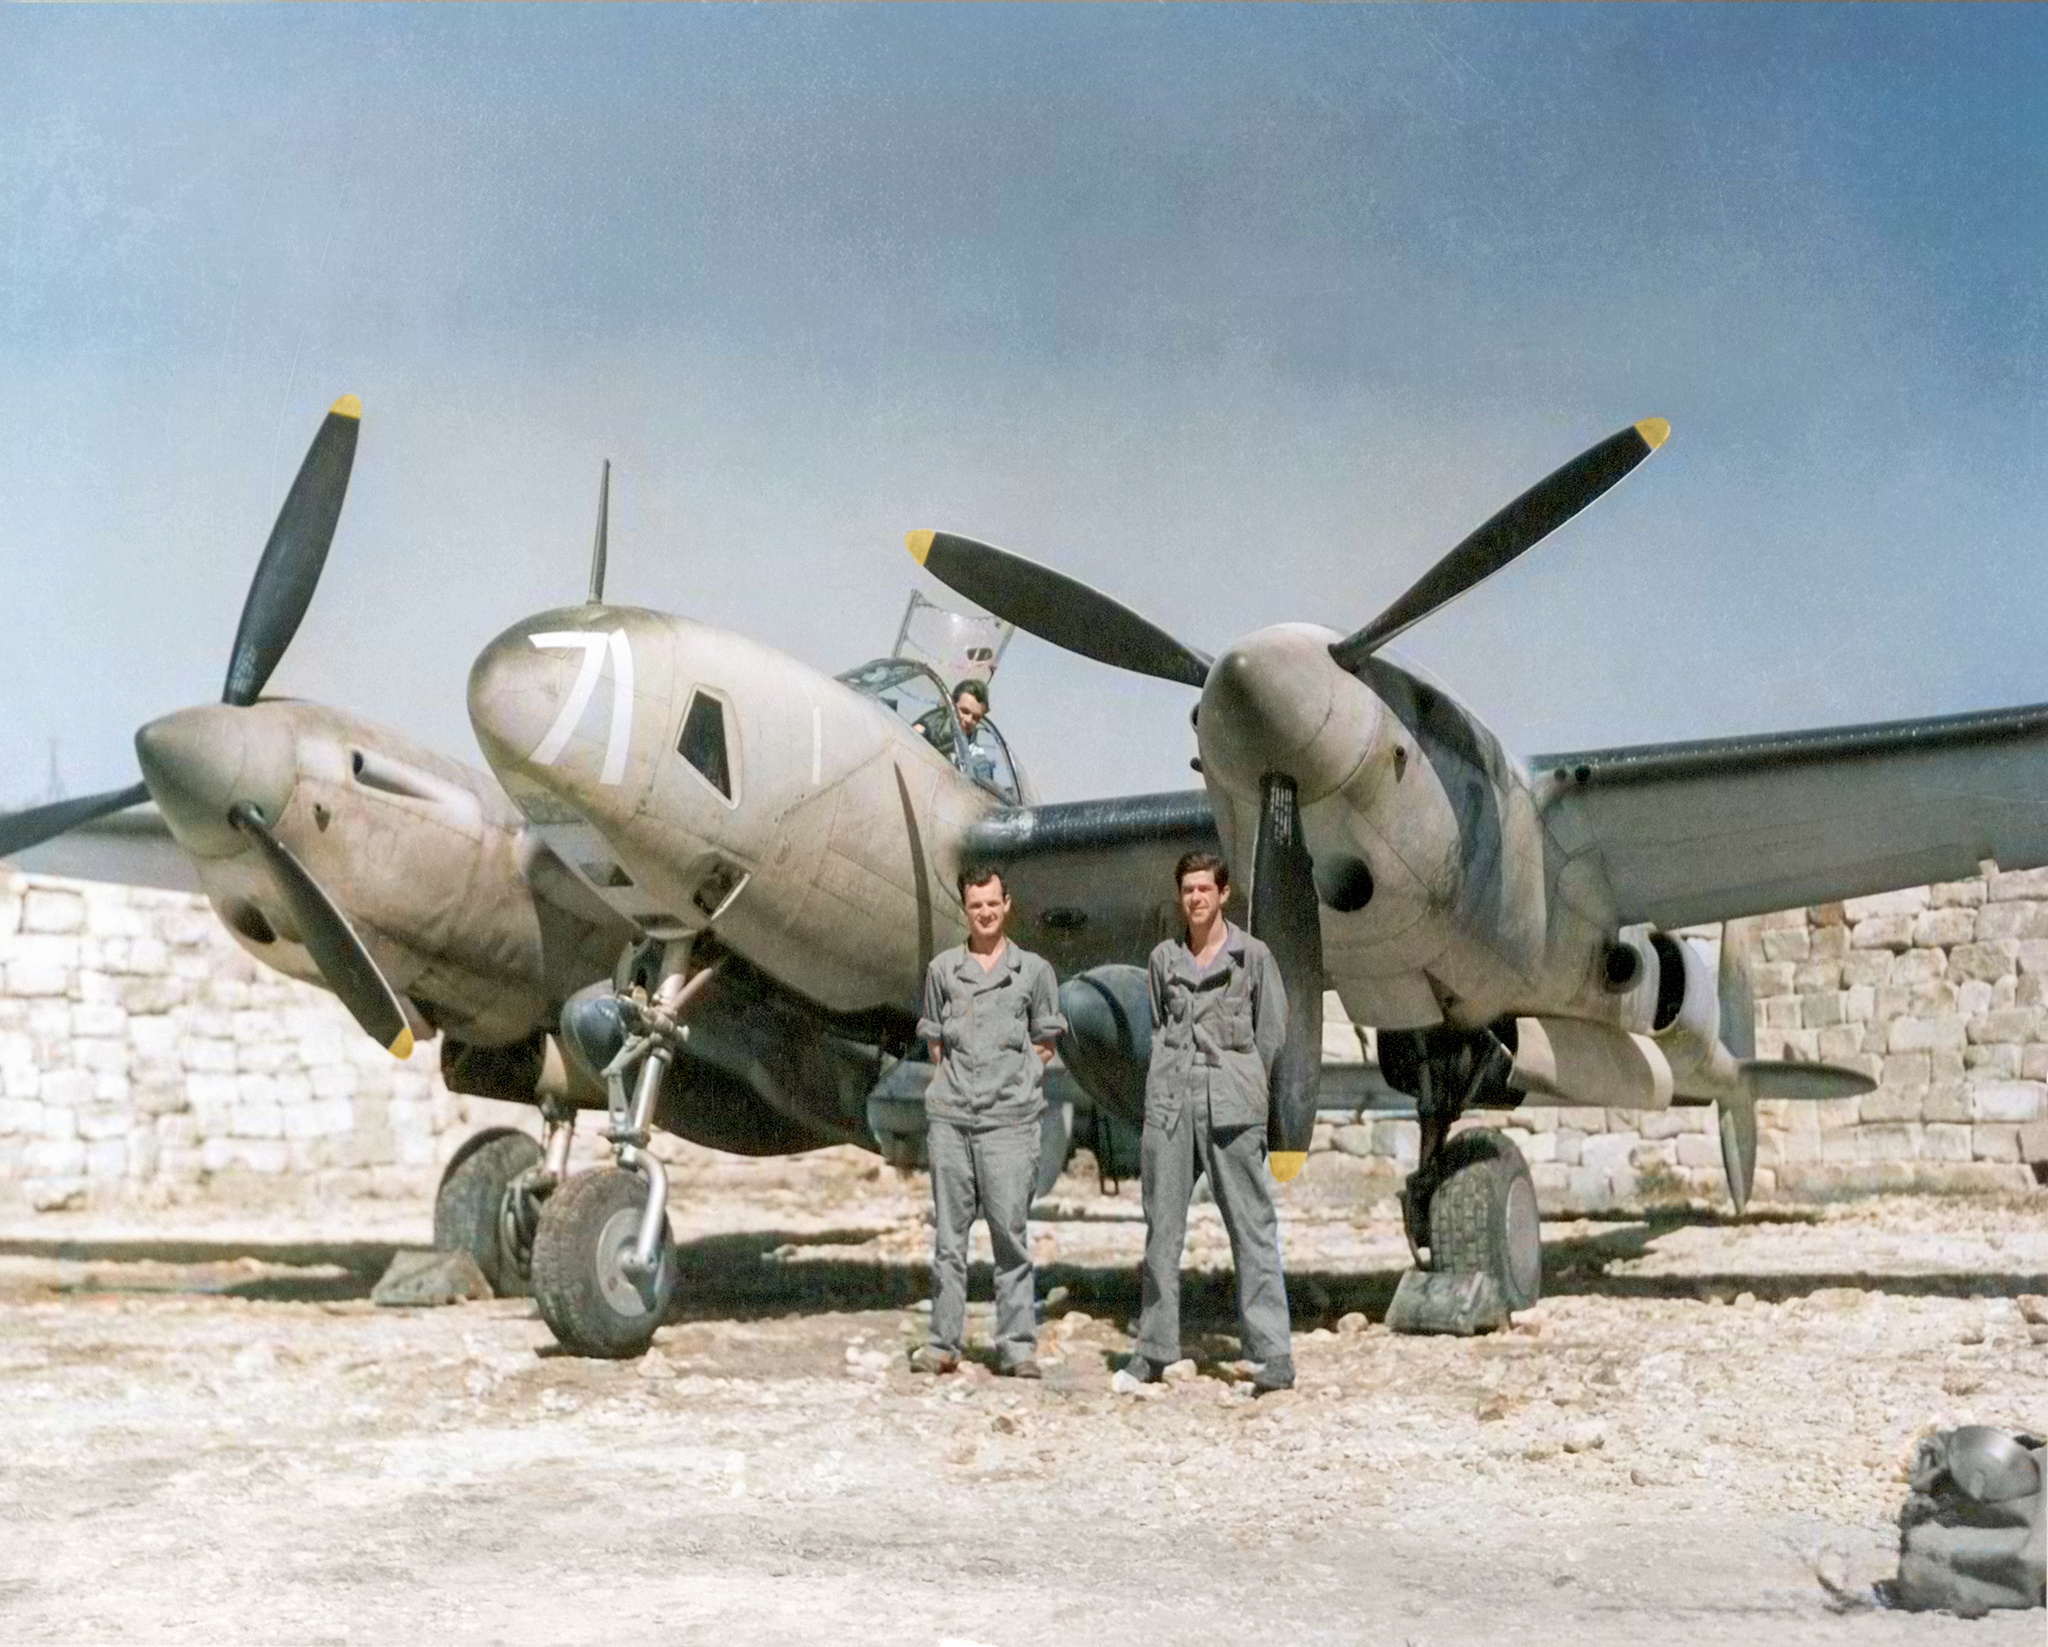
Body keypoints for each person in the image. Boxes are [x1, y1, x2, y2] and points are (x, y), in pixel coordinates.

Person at [1124, 850, 1295, 1393]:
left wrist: (1242, 1083)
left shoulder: (1254, 958)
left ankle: (1272, 1358)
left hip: (1233, 1108)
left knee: (1251, 1230)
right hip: (1171, 1106)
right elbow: (1157, 1024)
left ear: (1223, 894)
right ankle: (1154, 1350)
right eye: (1187, 890)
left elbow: (1271, 1033)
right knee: (1161, 1232)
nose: (1196, 898)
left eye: (1205, 889)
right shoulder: (1163, 960)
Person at [910, 864, 1066, 1378]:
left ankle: (1017, 1347)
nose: (985, 912)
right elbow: (935, 1043)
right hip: (952, 1120)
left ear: (1007, 903)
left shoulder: (1035, 971)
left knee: (1010, 1237)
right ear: (966, 908)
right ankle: (943, 1344)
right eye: (976, 904)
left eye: (993, 902)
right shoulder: (942, 971)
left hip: (1010, 1122)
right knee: (949, 1241)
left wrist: (1011, 1081)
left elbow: (1044, 1041)